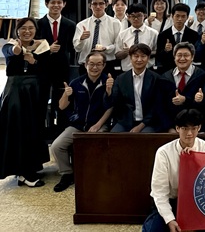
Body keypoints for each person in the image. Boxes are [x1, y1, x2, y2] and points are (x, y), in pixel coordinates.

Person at [51, 51, 113, 192]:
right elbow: (61, 106)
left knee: (96, 146)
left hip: (99, 125)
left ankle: (95, 174)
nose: (95, 67)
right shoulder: (76, 82)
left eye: (99, 64)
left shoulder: (108, 82)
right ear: (85, 65)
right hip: (78, 124)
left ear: (104, 66)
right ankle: (67, 174)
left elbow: (110, 108)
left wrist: (98, 125)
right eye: (91, 64)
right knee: (56, 146)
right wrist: (66, 94)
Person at [143, 109, 205, 232]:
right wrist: (170, 219)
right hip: (172, 200)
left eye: (194, 128)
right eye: (184, 129)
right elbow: (159, 192)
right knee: (155, 229)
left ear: (199, 128)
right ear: (177, 128)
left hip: (196, 202)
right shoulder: (163, 152)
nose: (189, 133)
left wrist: (196, 161)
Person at [0, 18, 50, 187]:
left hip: (35, 93)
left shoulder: (42, 46)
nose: (27, 31)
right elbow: (12, 51)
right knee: (19, 130)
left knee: (34, 129)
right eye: (23, 28)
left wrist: (33, 61)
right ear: (17, 30)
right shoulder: (11, 45)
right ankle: (23, 172)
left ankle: (28, 169)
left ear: (35, 30)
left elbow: (46, 69)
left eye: (31, 28)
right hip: (16, 93)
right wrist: (18, 49)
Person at [36, 0, 77, 132]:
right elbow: (33, 47)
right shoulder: (37, 24)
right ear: (46, 4)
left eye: (59, 2)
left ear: (64, 4)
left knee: (61, 99)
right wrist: (48, 49)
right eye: (52, 2)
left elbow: (72, 48)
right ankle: (41, 130)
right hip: (42, 67)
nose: (56, 5)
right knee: (41, 99)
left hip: (62, 68)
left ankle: (60, 130)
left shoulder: (70, 25)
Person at [106, 43, 167, 133]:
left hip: (149, 122)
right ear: (130, 58)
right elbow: (114, 103)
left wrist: (141, 126)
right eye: (136, 56)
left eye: (143, 56)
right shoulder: (121, 79)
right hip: (126, 121)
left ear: (148, 58)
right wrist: (109, 91)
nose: (139, 59)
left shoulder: (156, 79)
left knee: (143, 137)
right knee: (114, 136)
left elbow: (157, 106)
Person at [163, 43, 205, 125]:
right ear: (174, 57)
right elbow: (161, 105)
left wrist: (186, 100)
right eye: (179, 55)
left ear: (192, 57)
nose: (182, 58)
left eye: (186, 55)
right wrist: (169, 128)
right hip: (171, 124)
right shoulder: (165, 77)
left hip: (194, 124)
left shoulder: (202, 76)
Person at [73, 0, 121, 67]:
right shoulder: (81, 25)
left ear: (106, 5)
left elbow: (118, 45)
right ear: (90, 6)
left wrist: (106, 48)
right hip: (86, 64)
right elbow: (77, 49)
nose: (98, 7)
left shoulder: (115, 23)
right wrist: (81, 39)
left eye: (101, 4)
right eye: (94, 4)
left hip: (107, 63)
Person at [156, 3, 199, 73]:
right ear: (172, 16)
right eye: (177, 16)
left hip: (188, 70)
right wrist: (166, 50)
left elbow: (196, 55)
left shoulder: (194, 35)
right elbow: (158, 57)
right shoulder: (163, 35)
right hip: (168, 71)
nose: (180, 19)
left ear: (187, 17)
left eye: (183, 16)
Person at [115, 3, 159, 72]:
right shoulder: (122, 34)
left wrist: (144, 52)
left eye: (139, 16)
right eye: (133, 16)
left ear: (145, 16)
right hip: (127, 70)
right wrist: (125, 52)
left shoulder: (153, 33)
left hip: (148, 69)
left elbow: (158, 52)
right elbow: (117, 55)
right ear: (128, 17)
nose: (135, 19)